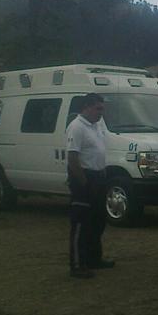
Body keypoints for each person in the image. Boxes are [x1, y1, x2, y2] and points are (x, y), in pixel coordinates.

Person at [66, 93, 114, 278]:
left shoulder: (97, 125)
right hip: (84, 179)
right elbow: (72, 158)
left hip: (99, 177)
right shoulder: (77, 127)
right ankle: (77, 265)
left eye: (102, 108)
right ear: (86, 107)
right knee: (81, 223)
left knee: (97, 221)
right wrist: (84, 183)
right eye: (98, 108)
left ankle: (94, 259)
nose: (101, 112)